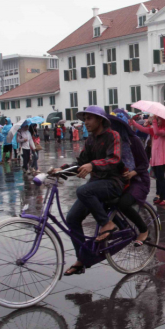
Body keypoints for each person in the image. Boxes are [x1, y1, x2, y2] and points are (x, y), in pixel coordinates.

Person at [53, 106, 125, 276]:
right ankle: (82, 259)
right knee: (72, 218)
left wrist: (93, 165)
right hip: (96, 184)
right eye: (84, 119)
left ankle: (106, 223)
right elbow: (81, 162)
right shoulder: (90, 140)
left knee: (83, 190)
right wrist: (61, 169)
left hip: (112, 182)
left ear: (100, 120)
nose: (86, 122)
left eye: (89, 119)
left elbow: (114, 159)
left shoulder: (112, 135)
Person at [108, 114, 151, 247]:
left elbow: (144, 163)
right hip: (121, 180)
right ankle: (123, 227)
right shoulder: (113, 142)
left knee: (124, 204)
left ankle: (144, 230)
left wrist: (133, 173)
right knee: (103, 200)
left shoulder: (134, 141)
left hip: (138, 180)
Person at [130, 114, 165, 206]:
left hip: (162, 157)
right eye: (157, 119)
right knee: (158, 178)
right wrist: (134, 123)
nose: (157, 121)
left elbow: (157, 132)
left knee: (161, 178)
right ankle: (161, 197)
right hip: (155, 158)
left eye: (159, 119)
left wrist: (153, 120)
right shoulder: (155, 130)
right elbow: (143, 129)